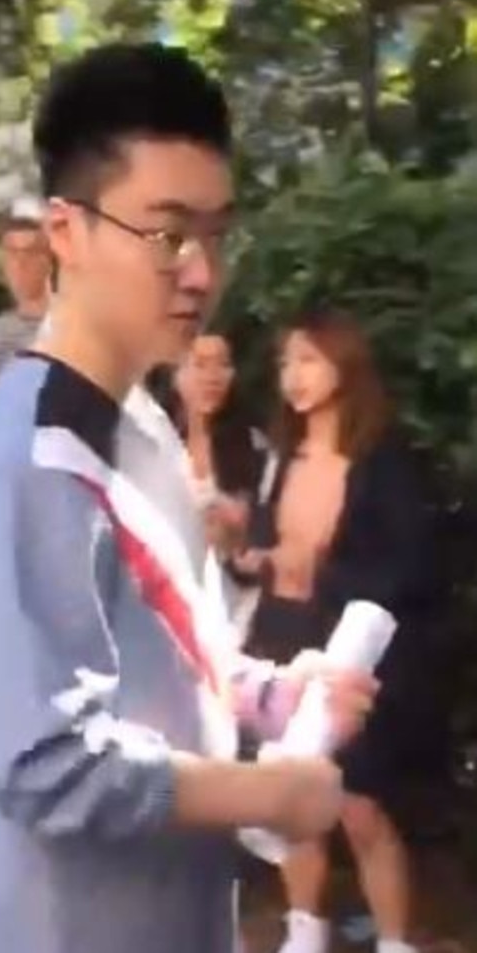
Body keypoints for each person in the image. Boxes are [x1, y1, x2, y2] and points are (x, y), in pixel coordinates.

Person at [0, 43, 376, 953]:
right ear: (66, 232)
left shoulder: (140, 420)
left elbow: (181, 649)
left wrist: (267, 691)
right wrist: (267, 791)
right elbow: (48, 764)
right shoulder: (24, 456)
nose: (203, 272)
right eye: (168, 233)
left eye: (217, 233)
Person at [239, 310, 432, 953]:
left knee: (359, 804)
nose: (293, 376)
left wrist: (321, 573)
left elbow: (408, 565)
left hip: (348, 648)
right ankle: (304, 928)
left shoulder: (382, 458)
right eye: (286, 362)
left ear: (344, 367)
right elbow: (269, 540)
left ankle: (396, 939)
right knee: (293, 794)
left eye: (309, 361)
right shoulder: (282, 453)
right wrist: (253, 554)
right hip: (280, 635)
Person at [163, 333, 271, 644]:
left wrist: (240, 534)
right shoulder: (153, 442)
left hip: (237, 604)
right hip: (169, 596)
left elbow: (268, 534)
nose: (213, 377)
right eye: (200, 364)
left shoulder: (253, 444)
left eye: (223, 365)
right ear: (175, 374)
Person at [0, 216, 52, 383]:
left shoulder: (70, 326)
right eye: (12, 252)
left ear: (48, 260)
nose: (20, 262)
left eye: (30, 252)